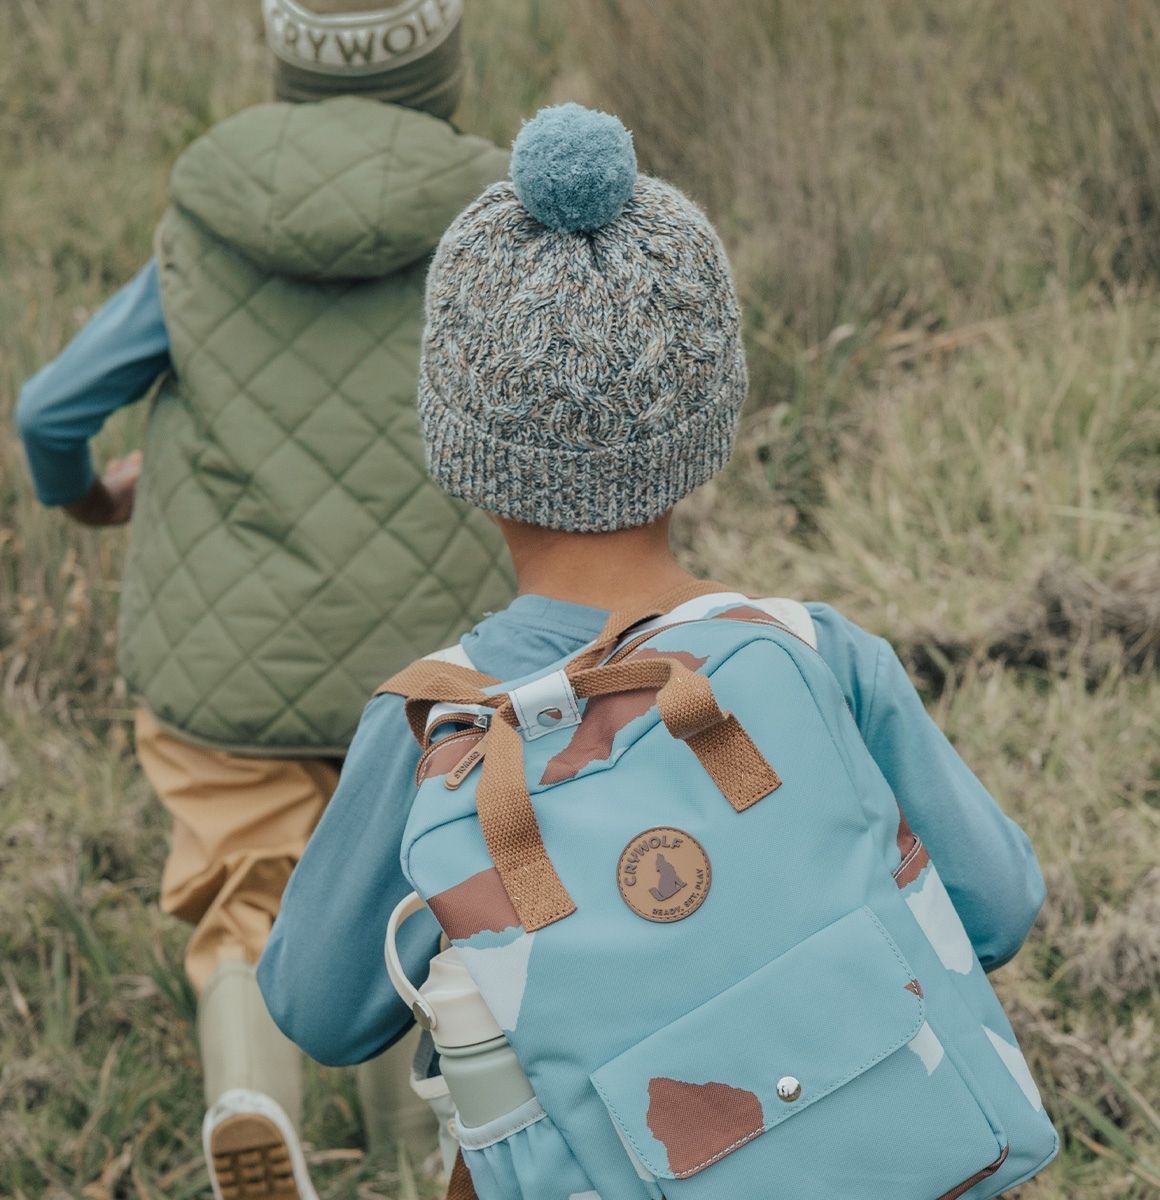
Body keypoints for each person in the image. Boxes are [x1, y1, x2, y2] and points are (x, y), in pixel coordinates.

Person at [257, 102, 1047, 1180]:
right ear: (709, 417)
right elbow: (996, 910)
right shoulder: (813, 650)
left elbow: (320, 1012)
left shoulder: (430, 729)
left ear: (461, 445)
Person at [14, 2, 514, 1197]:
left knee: (244, 890)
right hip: (429, 663)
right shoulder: (494, 226)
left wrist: (86, 497)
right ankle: (417, 1156)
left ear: (286, 64)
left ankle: (252, 1107)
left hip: (221, 663)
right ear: (443, 67)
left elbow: (49, 412)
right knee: (415, 886)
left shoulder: (201, 220)